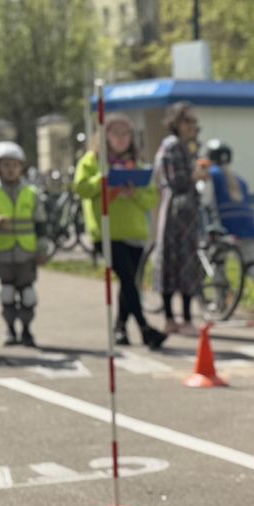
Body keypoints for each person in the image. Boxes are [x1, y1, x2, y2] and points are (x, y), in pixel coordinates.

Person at [73, 112, 167, 351]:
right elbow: (81, 188)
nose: (122, 138)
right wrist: (103, 180)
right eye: (116, 133)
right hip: (106, 232)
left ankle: (120, 328)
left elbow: (150, 198)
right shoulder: (92, 161)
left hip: (135, 231)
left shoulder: (136, 163)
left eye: (126, 133)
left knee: (129, 283)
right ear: (105, 136)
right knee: (127, 278)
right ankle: (145, 329)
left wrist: (133, 192)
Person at [0, 141, 49, 347]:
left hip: (26, 253)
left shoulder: (31, 193)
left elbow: (41, 224)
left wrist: (42, 249)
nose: (10, 169)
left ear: (21, 167)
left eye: (14, 165)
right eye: (5, 165)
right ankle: (10, 329)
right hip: (2, 254)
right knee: (6, 293)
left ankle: (27, 330)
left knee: (28, 295)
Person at [202, 138, 254, 306]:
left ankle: (220, 300)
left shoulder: (211, 176)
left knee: (217, 262)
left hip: (224, 228)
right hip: (248, 229)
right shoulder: (239, 180)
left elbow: (206, 200)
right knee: (251, 264)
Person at [153, 102, 205, 335]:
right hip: (177, 213)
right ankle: (177, 319)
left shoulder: (181, 146)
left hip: (182, 212)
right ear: (176, 123)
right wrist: (197, 175)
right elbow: (179, 181)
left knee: (180, 263)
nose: (192, 127)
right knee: (178, 262)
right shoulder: (174, 147)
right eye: (188, 121)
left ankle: (177, 317)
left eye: (194, 122)